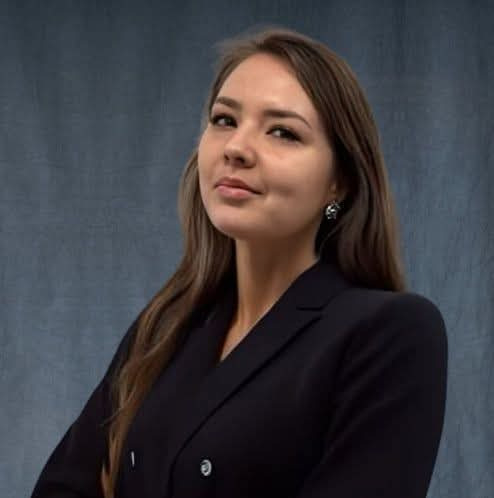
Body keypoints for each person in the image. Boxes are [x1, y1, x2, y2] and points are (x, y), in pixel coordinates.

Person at [31, 26, 448, 498]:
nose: (236, 148)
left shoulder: (389, 334)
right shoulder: (165, 327)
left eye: (283, 132)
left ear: (340, 182)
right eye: (224, 120)